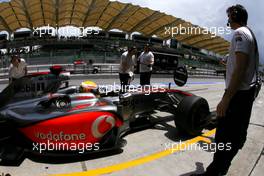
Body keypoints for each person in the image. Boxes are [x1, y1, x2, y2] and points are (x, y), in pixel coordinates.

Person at [192, 4, 259, 176]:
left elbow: (241, 68)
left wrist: (226, 98)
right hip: (245, 93)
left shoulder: (240, 33)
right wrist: (228, 61)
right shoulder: (249, 34)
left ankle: (215, 172)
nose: (227, 20)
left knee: (224, 136)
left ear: (235, 15)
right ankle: (221, 168)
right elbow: (240, 62)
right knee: (236, 136)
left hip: (236, 95)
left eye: (229, 16)